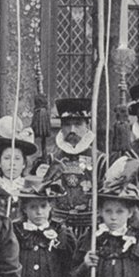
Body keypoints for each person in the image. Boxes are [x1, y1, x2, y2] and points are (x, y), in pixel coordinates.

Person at [37, 98, 106, 239]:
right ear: (61, 127)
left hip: (90, 230)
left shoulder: (100, 160)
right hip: (56, 229)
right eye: (67, 125)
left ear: (88, 126)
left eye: (78, 124)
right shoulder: (50, 158)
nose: (72, 130)